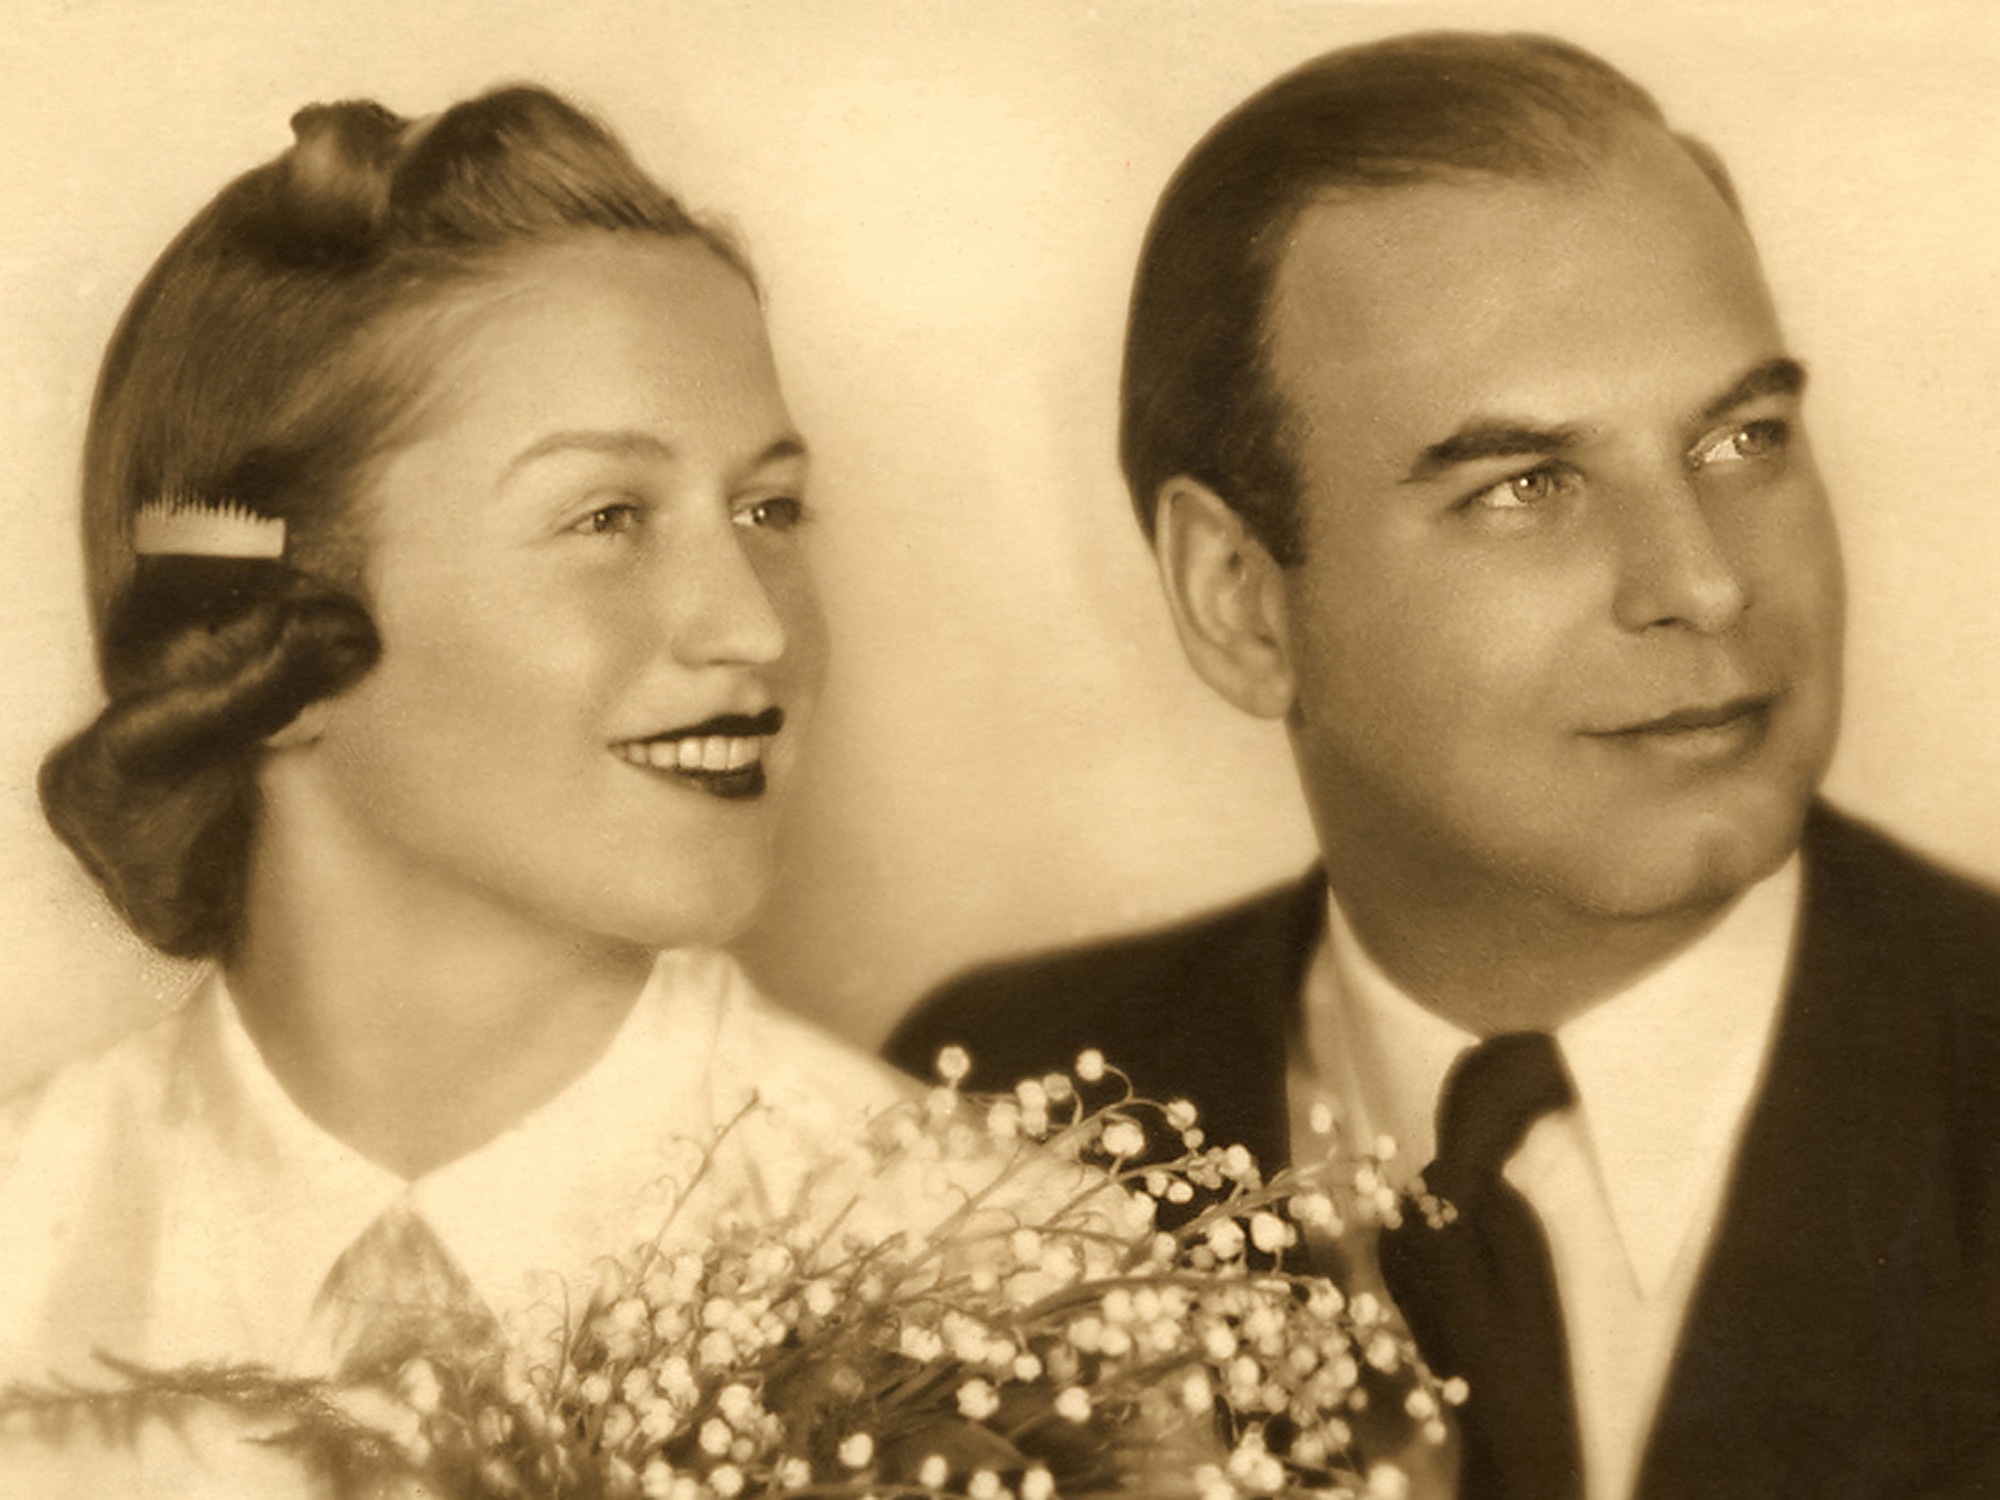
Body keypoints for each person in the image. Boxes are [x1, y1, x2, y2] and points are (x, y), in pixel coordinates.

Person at [887, 30, 2000, 1500]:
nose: (1708, 584)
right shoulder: (985, 1128)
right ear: (1239, 598)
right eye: (1527, 485)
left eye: (1744, 438)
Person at [0, 82, 930, 1454]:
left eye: (769, 508)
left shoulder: (994, 1270)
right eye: (607, 516)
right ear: (260, 636)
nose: (756, 626)